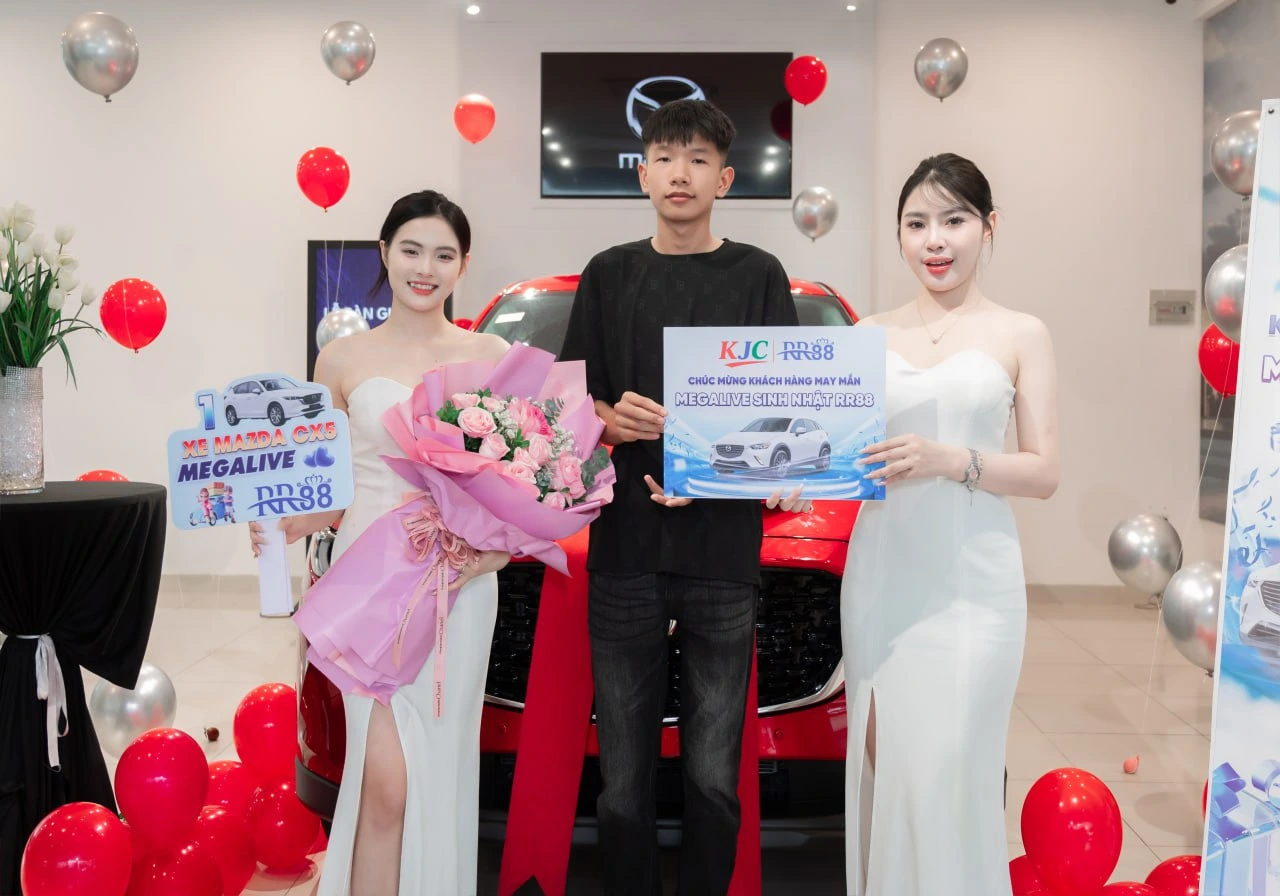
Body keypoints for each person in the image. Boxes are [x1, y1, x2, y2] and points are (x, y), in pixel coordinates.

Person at [559, 98, 811, 896]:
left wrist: (729, 471)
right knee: (623, 784)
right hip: (624, 552)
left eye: (699, 159)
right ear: (642, 174)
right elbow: (564, 409)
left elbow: (791, 414)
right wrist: (609, 421)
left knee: (711, 778)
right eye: (665, 157)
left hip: (722, 555)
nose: (680, 173)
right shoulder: (608, 274)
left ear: (724, 179)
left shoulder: (759, 276)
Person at [249, 190, 509, 896]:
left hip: (459, 586)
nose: (426, 268)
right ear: (385, 254)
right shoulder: (340, 359)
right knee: (385, 781)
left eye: (443, 255)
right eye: (411, 250)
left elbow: (520, 486)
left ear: (463, 266)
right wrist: (282, 518)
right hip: (369, 583)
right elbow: (329, 490)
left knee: (437, 769)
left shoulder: (491, 355)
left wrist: (494, 552)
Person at [842, 153, 1060, 895]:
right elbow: (829, 456)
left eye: (954, 220)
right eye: (916, 224)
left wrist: (950, 459)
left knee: (952, 774)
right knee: (897, 778)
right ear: (899, 235)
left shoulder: (1022, 332)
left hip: (975, 587)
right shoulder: (866, 334)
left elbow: (1044, 471)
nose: (934, 240)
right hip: (882, 579)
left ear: (989, 227)